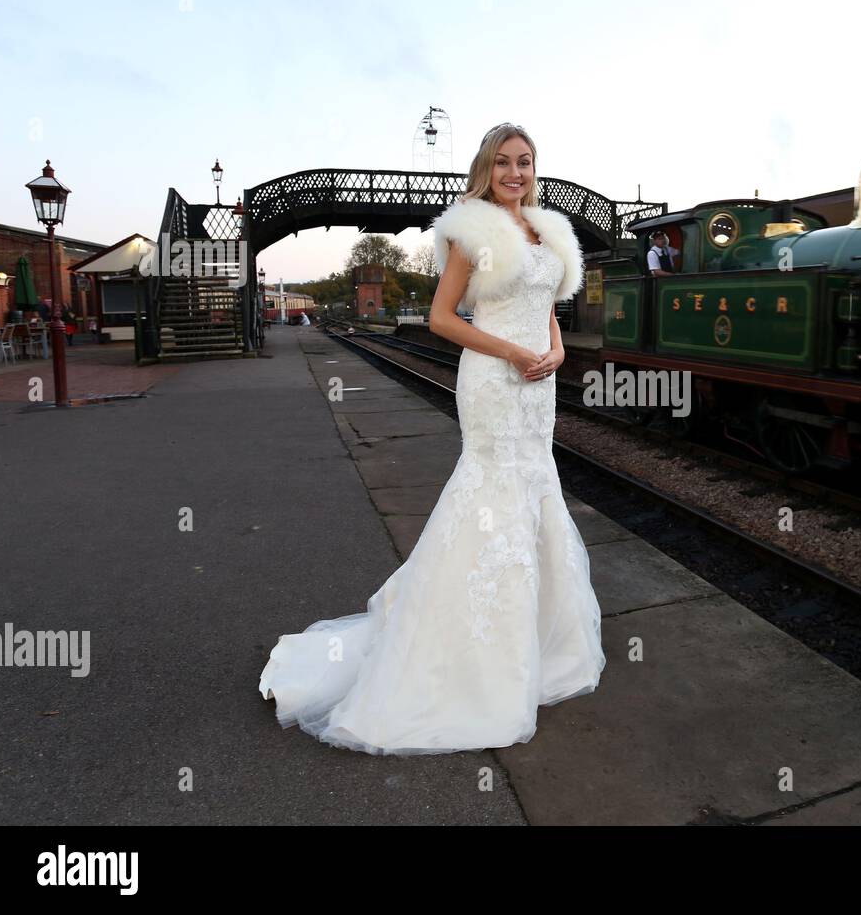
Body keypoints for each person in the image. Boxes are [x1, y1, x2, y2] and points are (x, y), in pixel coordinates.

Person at [259, 122, 606, 755]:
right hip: (496, 382)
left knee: (534, 490)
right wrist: (509, 351)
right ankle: (467, 657)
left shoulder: (548, 230)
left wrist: (554, 352)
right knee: (491, 494)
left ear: (536, 167)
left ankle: (536, 646)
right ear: (485, 168)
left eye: (525, 162)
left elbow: (548, 307)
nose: (515, 173)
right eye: (503, 162)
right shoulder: (471, 230)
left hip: (537, 383)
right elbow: (445, 317)